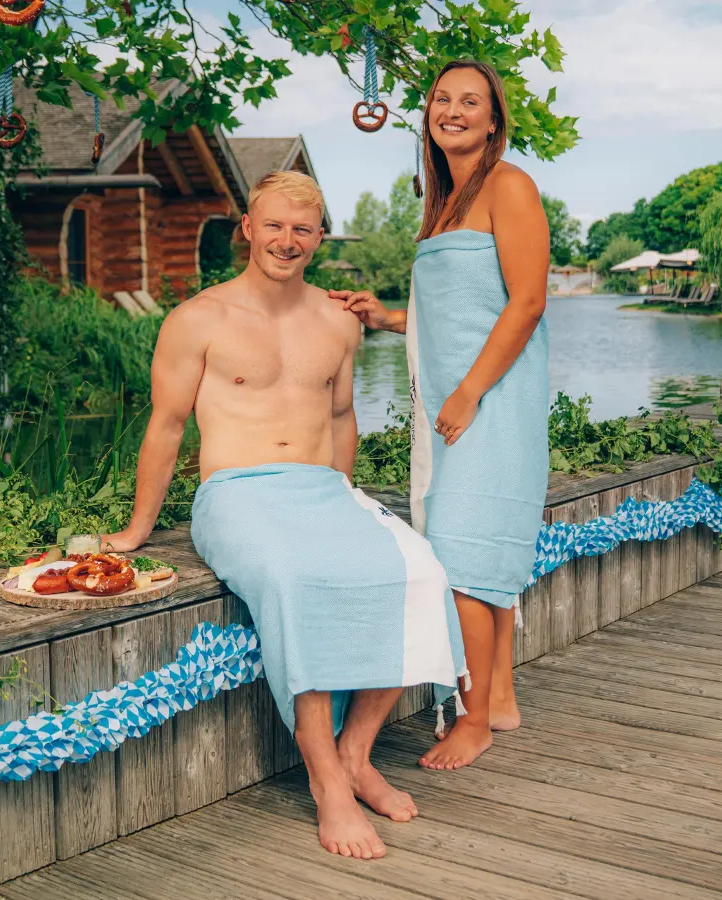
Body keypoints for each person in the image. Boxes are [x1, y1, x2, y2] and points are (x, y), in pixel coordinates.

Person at [101, 171, 466, 860]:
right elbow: (167, 426)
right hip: (235, 495)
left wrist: (346, 504)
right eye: (274, 225)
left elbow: (340, 419)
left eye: (302, 229)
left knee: (418, 569)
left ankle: (357, 753)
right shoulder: (198, 319)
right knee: (297, 579)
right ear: (247, 227)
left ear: (319, 238)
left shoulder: (336, 321)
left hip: (320, 491)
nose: (286, 240)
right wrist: (137, 530)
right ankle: (325, 774)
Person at [333, 60, 550, 770]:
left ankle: (474, 718)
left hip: (490, 402)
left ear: (494, 120)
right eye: (440, 99)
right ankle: (505, 696)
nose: (451, 110)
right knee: (480, 552)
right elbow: (455, 313)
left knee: (458, 560)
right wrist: (388, 317)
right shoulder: (446, 200)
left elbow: (526, 304)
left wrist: (468, 393)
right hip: (455, 405)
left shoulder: (509, 186)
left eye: (470, 102)